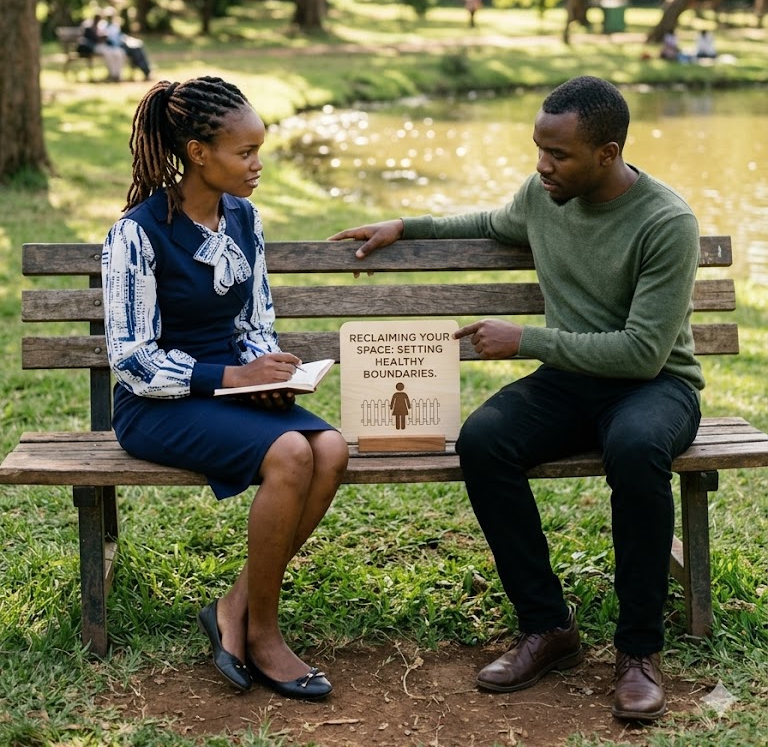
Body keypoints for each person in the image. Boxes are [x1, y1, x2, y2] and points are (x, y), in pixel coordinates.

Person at [329, 76, 703, 722]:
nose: (541, 165)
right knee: (484, 439)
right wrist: (404, 225)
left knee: (637, 446)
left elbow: (643, 352)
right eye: (538, 147)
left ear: (607, 154)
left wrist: (527, 337)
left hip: (656, 386)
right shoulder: (544, 194)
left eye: (558, 154)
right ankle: (547, 628)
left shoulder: (666, 222)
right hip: (571, 382)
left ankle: (639, 652)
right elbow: (489, 220)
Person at [101, 76, 348, 699]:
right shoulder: (137, 232)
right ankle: (264, 632)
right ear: (197, 152)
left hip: (231, 392)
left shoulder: (244, 218)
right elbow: (131, 360)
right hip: (158, 405)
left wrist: (271, 370)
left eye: (259, 150)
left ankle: (234, 607)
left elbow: (254, 322)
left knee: (332, 449)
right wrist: (229, 378)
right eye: (245, 153)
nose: (257, 165)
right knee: (293, 453)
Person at [103, 9, 154, 79]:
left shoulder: (115, 25)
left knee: (138, 46)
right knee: (135, 51)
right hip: (117, 46)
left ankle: (147, 70)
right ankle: (146, 71)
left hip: (123, 43)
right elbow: (108, 39)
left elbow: (120, 35)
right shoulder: (103, 26)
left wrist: (128, 39)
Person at [80, 12, 126, 81]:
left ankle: (117, 74)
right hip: (95, 47)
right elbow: (89, 39)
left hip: (107, 46)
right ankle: (113, 74)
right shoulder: (89, 27)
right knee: (108, 54)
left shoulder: (104, 26)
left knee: (119, 53)